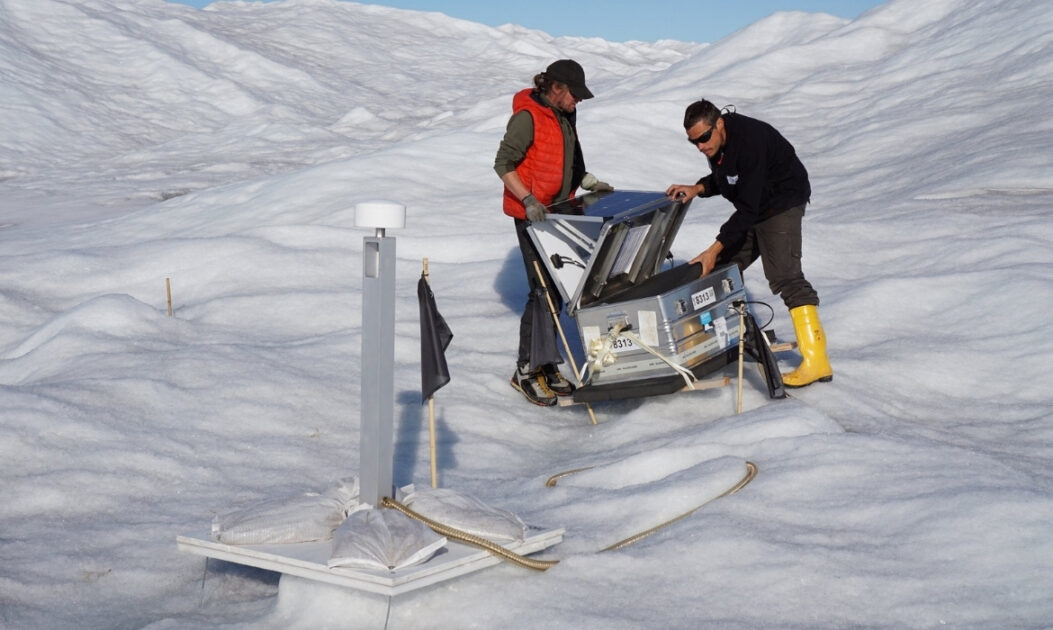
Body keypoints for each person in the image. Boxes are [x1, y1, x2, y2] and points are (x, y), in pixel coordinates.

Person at [665, 99, 832, 388]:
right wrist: (698, 188)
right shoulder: (720, 145)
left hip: (781, 203)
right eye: (694, 143)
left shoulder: (750, 141)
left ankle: (817, 361)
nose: (701, 147)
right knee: (725, 266)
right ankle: (730, 336)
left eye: (704, 138)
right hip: (757, 205)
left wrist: (712, 249)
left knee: (785, 276)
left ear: (719, 124)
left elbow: (747, 208)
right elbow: (727, 179)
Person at [493, 59, 612, 406]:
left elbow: (568, 156)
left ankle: (546, 364)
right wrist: (528, 199)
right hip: (531, 213)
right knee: (541, 291)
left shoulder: (563, 114)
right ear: (556, 88)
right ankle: (526, 370)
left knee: (557, 289)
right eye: (575, 95)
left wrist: (586, 181)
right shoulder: (527, 117)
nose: (578, 102)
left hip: (557, 212)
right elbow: (503, 164)